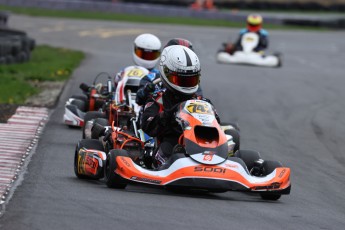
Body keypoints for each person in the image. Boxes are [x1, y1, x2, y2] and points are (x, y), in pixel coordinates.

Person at [141, 45, 214, 166]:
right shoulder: (157, 100)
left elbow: (216, 124)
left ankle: (217, 159)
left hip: (202, 144)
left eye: (191, 80)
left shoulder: (203, 102)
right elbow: (148, 126)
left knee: (231, 136)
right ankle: (178, 162)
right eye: (182, 80)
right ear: (166, 74)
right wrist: (169, 114)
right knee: (169, 150)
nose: (187, 85)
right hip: (170, 145)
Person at [135, 38, 203, 106]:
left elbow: (199, 100)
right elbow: (139, 100)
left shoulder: (194, 84)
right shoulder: (151, 78)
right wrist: (146, 90)